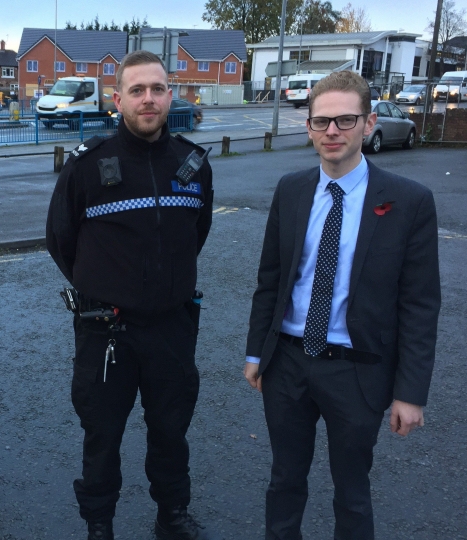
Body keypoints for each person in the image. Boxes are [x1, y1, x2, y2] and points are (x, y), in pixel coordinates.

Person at [243, 70, 441, 540]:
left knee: (352, 492)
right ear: (309, 126)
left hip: (357, 370)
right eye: (321, 121)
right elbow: (270, 279)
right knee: (284, 481)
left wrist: (411, 392)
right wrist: (256, 353)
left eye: (345, 120)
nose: (332, 131)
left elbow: (419, 303)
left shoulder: (410, 202)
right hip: (288, 362)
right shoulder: (291, 189)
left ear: (369, 123)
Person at [46, 50, 216, 540]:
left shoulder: (192, 164)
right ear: (117, 99)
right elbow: (61, 240)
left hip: (172, 327)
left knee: (171, 430)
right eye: (137, 90)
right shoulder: (87, 166)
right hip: (107, 329)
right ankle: (99, 524)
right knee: (103, 435)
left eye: (157, 89)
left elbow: (195, 234)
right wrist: (109, 283)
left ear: (170, 94)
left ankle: (172, 515)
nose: (148, 99)